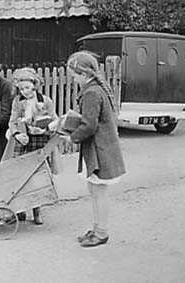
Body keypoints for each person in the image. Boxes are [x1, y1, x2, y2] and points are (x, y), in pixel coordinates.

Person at [64, 51, 126, 247]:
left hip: (100, 151)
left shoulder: (91, 92)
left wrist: (71, 137)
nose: (73, 80)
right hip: (100, 148)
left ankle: (102, 232)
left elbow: (89, 125)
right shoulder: (95, 88)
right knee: (94, 189)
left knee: (99, 191)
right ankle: (98, 227)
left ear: (83, 73)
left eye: (74, 76)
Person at [8, 68, 59, 225]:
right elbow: (12, 121)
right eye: (21, 89)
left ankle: (37, 210)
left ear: (35, 86)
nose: (25, 92)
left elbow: (55, 120)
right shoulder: (18, 102)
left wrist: (44, 129)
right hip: (23, 141)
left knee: (38, 176)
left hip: (39, 141)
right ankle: (20, 211)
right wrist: (17, 134)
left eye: (28, 88)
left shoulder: (45, 101)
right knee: (19, 175)